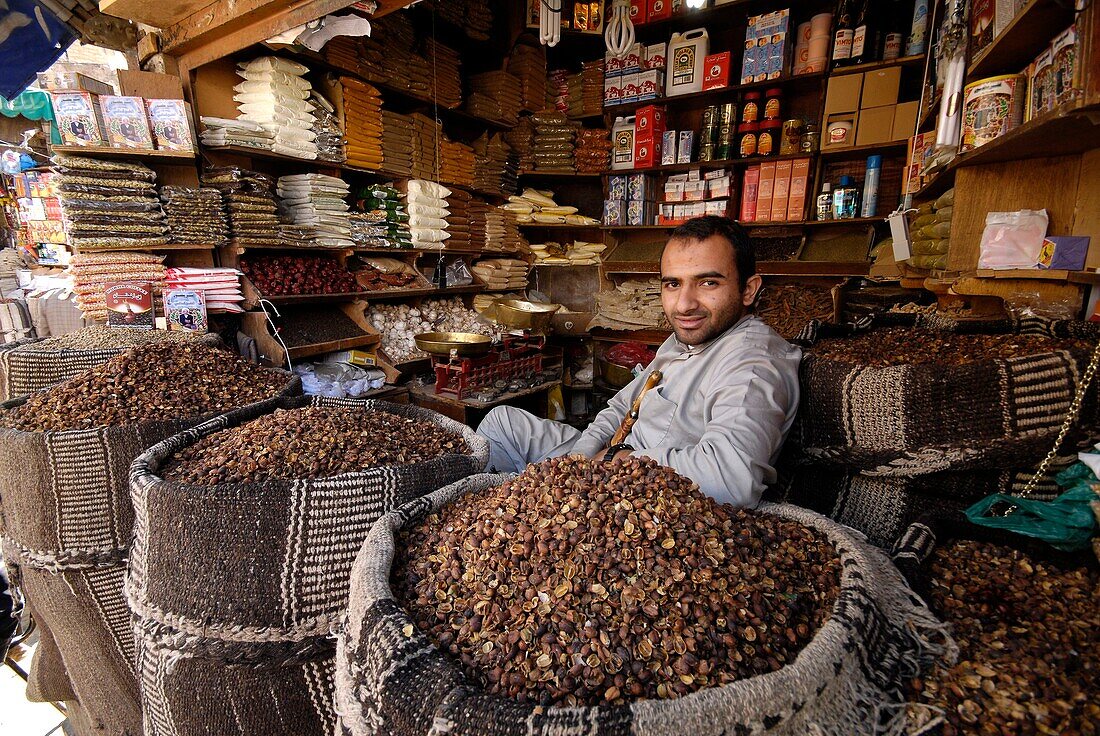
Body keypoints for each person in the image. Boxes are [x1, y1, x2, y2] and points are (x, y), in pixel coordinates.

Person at [476, 215, 802, 507]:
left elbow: (731, 479)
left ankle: (525, 507)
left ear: (748, 290)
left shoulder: (753, 364)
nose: (685, 304)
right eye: (673, 284)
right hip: (609, 464)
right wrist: (581, 459)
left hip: (645, 494)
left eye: (708, 282)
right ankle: (519, 505)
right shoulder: (685, 339)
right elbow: (621, 406)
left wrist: (619, 460)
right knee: (500, 421)